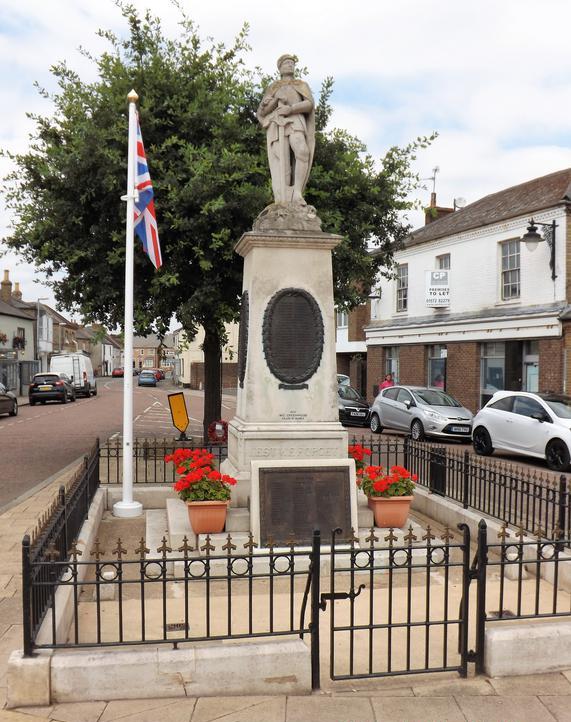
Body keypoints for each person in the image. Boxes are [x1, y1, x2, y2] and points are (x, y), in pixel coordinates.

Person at [257, 54, 315, 205]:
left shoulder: (301, 84)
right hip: (278, 123)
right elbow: (263, 112)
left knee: (302, 151)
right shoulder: (274, 87)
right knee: (281, 161)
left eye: (292, 63)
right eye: (286, 63)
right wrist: (274, 100)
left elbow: (309, 104)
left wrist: (291, 109)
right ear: (280, 67)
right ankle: (282, 198)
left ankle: (297, 193)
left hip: (295, 119)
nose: (290, 65)